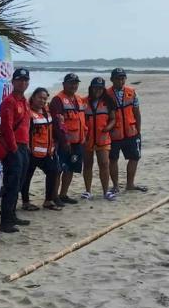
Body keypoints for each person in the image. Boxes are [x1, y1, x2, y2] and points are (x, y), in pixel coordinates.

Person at [0, 68, 32, 233]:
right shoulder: (9, 101)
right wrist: (13, 149)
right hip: (14, 148)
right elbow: (7, 128)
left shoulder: (24, 101)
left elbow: (26, 126)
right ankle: (5, 221)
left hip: (24, 146)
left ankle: (12, 215)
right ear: (13, 82)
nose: (23, 83)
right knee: (11, 184)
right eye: (19, 80)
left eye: (26, 80)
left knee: (19, 183)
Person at [20, 87, 63, 211]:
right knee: (27, 177)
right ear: (33, 97)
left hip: (47, 152)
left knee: (53, 172)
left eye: (45, 98)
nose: (42, 100)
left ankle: (48, 201)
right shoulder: (28, 113)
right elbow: (24, 132)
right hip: (32, 153)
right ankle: (26, 202)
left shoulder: (47, 111)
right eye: (40, 97)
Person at [107, 68, 146, 193]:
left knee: (134, 157)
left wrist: (138, 131)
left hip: (131, 132)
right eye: (118, 78)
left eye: (123, 78)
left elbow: (137, 113)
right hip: (114, 134)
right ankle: (115, 186)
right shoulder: (106, 94)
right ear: (112, 79)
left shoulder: (132, 92)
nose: (121, 80)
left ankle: (130, 184)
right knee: (113, 159)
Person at [50, 73, 86, 205]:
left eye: (76, 83)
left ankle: (63, 194)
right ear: (64, 84)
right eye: (71, 83)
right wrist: (64, 141)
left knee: (71, 169)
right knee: (59, 170)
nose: (73, 85)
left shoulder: (79, 99)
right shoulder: (57, 100)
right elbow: (58, 123)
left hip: (78, 142)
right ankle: (54, 196)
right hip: (64, 143)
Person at [82, 77, 117, 201]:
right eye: (95, 87)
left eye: (100, 88)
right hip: (88, 139)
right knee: (87, 164)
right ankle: (87, 191)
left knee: (104, 164)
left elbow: (113, 118)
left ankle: (106, 191)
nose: (98, 90)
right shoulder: (84, 101)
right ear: (91, 88)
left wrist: (108, 127)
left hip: (103, 138)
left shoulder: (108, 102)